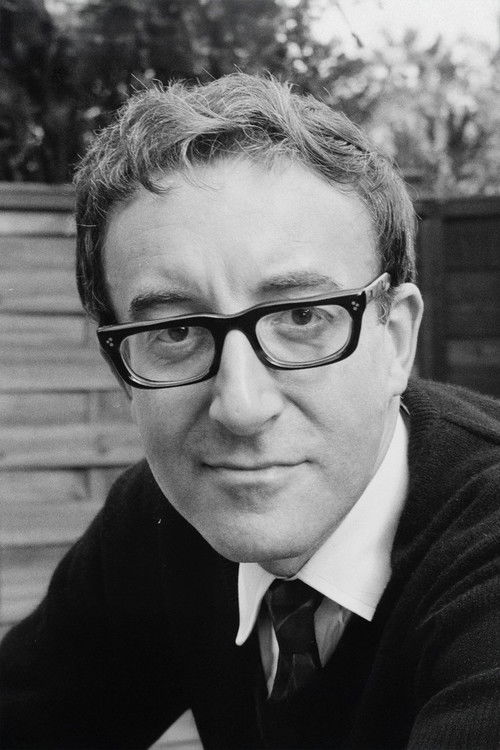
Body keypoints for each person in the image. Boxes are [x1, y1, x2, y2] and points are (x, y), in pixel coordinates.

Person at [1, 73, 499, 750]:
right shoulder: (161, 522)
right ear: (122, 370)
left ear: (397, 340)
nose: (240, 407)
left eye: (302, 317)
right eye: (175, 331)